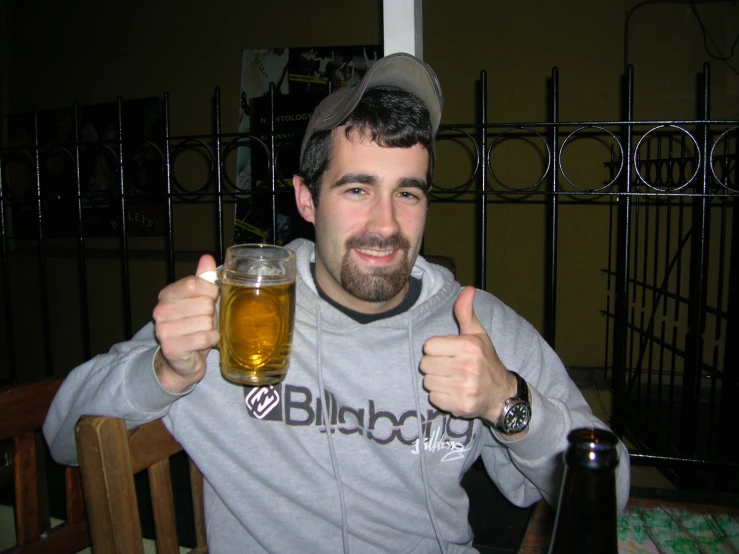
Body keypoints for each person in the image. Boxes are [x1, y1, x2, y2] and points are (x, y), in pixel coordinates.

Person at [44, 52, 630, 553]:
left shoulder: (472, 323)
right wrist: (164, 372)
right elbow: (64, 437)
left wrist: (509, 401)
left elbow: (614, 489)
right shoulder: (239, 303)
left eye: (408, 193)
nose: (387, 224)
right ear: (306, 199)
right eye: (357, 189)